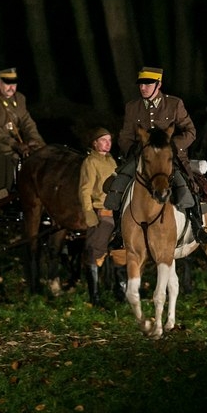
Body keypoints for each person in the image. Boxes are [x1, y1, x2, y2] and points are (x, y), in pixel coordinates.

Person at [103, 66, 207, 245]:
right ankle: (119, 231)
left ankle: (197, 226)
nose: (143, 88)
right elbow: (125, 135)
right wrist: (133, 151)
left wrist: (170, 147)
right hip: (142, 157)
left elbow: (190, 131)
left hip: (169, 157)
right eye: (141, 84)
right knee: (118, 185)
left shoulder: (174, 104)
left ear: (158, 85)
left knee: (187, 185)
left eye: (147, 84)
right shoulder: (132, 106)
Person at [0, 67, 46, 191]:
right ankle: (5, 188)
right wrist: (13, 143)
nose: (11, 88)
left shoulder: (20, 98)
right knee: (11, 155)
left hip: (17, 139)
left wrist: (35, 139)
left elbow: (27, 122)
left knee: (40, 151)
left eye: (14, 84)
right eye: (7, 84)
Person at [78, 127, 118, 306]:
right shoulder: (90, 162)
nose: (108, 143)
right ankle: (94, 297)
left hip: (116, 212)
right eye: (103, 140)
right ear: (95, 143)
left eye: (109, 140)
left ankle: (120, 292)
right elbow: (85, 190)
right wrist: (89, 213)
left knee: (119, 253)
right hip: (101, 211)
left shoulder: (112, 161)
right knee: (95, 252)